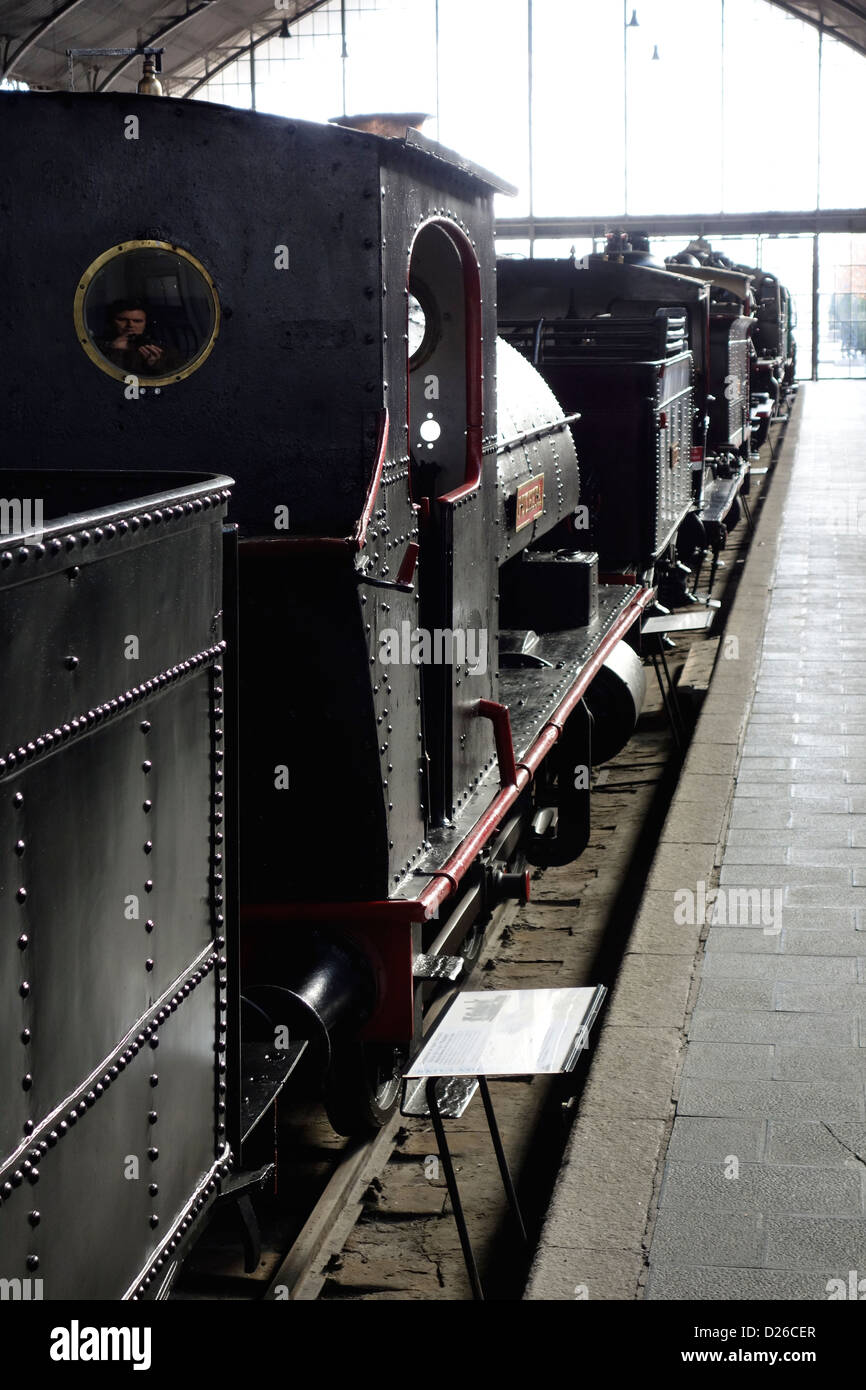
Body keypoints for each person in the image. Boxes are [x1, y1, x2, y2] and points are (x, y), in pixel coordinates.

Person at [96, 299, 183, 375]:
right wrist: (113, 350)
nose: (130, 325)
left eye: (137, 321)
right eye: (122, 320)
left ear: (145, 323)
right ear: (112, 321)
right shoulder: (96, 347)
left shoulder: (163, 350)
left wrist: (155, 365)